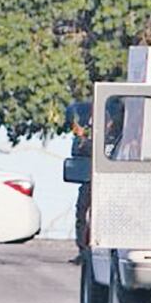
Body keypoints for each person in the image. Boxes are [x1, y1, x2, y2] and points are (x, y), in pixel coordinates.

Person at [65, 100, 92, 264]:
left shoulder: (102, 136)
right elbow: (76, 154)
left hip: (96, 182)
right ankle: (83, 249)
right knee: (81, 214)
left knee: (86, 215)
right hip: (87, 181)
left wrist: (83, 137)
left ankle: (87, 249)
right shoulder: (83, 139)